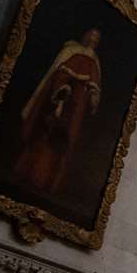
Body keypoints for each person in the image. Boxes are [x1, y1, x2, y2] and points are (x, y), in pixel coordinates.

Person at [13, 28, 103, 199]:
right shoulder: (71, 51)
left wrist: (93, 97)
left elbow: (94, 84)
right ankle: (31, 175)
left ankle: (50, 184)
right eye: (91, 35)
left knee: (64, 141)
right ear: (86, 36)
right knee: (45, 136)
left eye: (96, 38)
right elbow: (59, 74)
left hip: (77, 107)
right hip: (60, 101)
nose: (93, 39)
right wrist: (62, 92)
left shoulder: (94, 61)